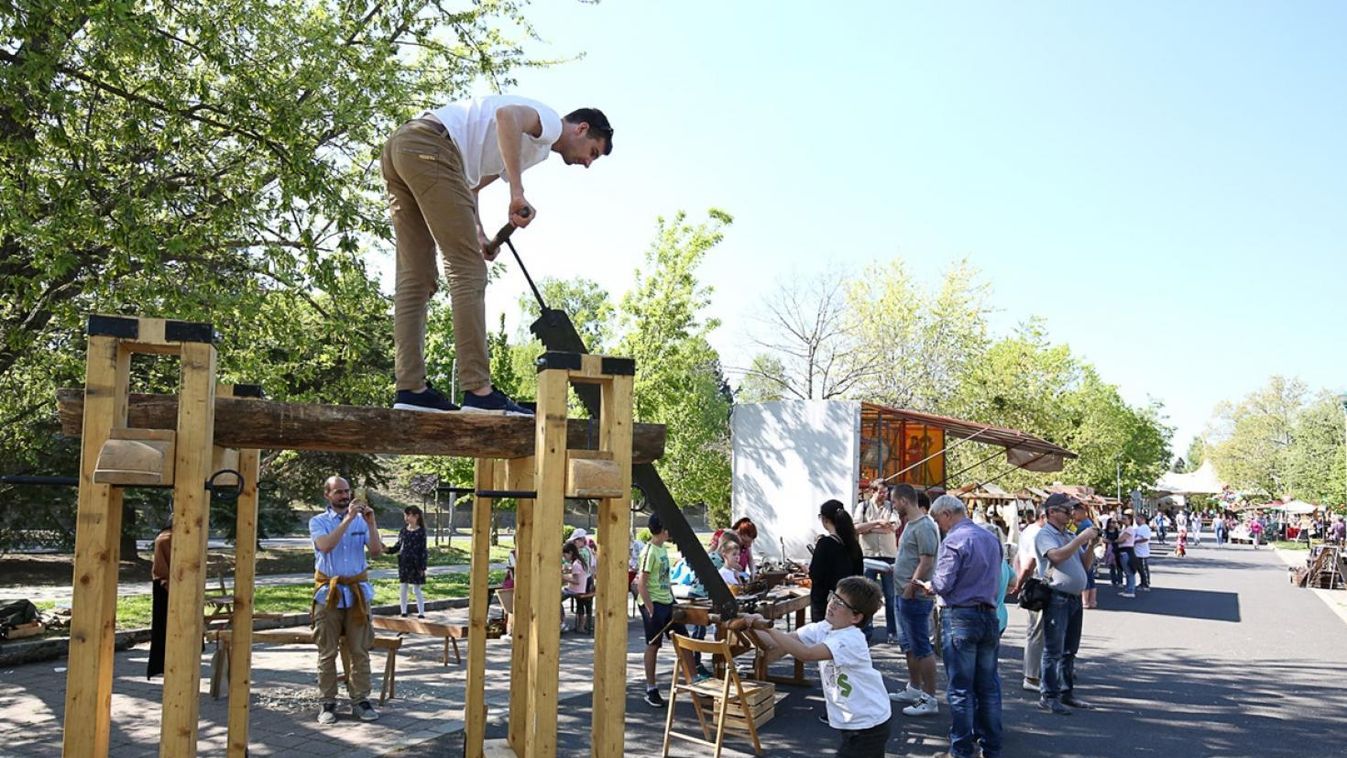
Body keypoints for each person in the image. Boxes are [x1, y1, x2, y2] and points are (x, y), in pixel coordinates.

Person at [381, 95, 613, 414]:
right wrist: (517, 192)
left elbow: (470, 185)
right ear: (581, 129)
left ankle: (411, 390)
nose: (587, 163)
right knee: (469, 272)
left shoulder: (533, 150)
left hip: (403, 147)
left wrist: (479, 233)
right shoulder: (549, 122)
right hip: (432, 148)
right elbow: (507, 116)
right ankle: (478, 392)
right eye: (593, 152)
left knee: (416, 276)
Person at [749, 576, 892, 757]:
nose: (832, 604)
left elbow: (806, 654)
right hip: (853, 721)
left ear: (856, 617)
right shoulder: (825, 628)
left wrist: (768, 628)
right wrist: (750, 626)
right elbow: (779, 642)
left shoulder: (850, 639)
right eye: (834, 597)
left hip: (869, 724)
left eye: (841, 603)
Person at [924, 494, 1004, 758]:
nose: (939, 525)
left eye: (938, 519)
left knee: (961, 688)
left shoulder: (954, 540)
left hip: (960, 616)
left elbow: (943, 584)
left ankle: (961, 749)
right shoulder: (991, 538)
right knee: (988, 687)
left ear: (947, 514)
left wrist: (930, 586)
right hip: (989, 615)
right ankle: (991, 746)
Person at [310, 476, 384, 724]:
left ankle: (361, 700)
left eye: (347, 491)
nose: (344, 496)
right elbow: (326, 546)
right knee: (327, 651)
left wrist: (371, 524)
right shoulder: (317, 521)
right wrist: (349, 519)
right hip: (327, 595)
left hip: (356, 595)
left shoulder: (363, 521)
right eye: (339, 492)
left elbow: (375, 551)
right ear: (327, 495)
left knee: (360, 650)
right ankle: (327, 702)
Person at [1034, 493, 1098, 716]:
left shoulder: (1069, 534)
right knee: (1054, 650)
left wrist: (1090, 545)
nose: (1071, 513)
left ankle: (1066, 692)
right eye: (1066, 510)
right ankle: (1049, 696)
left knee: (1070, 649)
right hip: (1056, 597)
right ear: (1051, 512)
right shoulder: (1045, 535)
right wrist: (1081, 540)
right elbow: (1056, 557)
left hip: (1072, 598)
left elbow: (1085, 565)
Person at [888, 483, 941, 717]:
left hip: (915, 595)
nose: (893, 504)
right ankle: (914, 688)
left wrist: (911, 585)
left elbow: (927, 560)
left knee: (921, 646)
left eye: (895, 501)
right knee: (909, 645)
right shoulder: (911, 524)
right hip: (902, 592)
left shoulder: (925, 525)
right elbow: (912, 557)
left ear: (905, 501)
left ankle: (929, 697)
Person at [637, 514, 690, 707]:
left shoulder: (662, 550)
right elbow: (641, 582)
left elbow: (665, 580)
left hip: (667, 601)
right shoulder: (650, 551)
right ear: (663, 529)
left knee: (684, 642)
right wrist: (650, 609)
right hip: (654, 603)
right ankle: (651, 688)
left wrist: (673, 600)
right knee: (654, 645)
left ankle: (694, 681)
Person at [852, 480, 899, 644]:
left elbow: (893, 527)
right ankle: (865, 631)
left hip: (888, 554)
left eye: (885, 492)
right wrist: (878, 523)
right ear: (873, 491)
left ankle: (892, 631)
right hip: (868, 555)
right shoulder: (863, 506)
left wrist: (869, 528)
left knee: (891, 596)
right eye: (881, 492)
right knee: (867, 596)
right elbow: (856, 528)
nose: (884, 495)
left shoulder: (891, 507)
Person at [1010, 506, 1047, 693]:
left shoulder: (1029, 531)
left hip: (1032, 582)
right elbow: (1029, 563)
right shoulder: (1038, 534)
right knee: (1037, 631)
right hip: (1037, 584)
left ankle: (1036, 672)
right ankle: (1032, 676)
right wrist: (1020, 582)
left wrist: (1019, 580)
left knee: (1036, 630)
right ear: (1043, 516)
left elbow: (1018, 558)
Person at [809, 500, 864, 623]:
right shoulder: (853, 544)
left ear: (825, 519)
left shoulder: (824, 543)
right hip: (848, 601)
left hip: (825, 602)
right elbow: (859, 574)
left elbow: (815, 574)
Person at [387, 505, 429, 618]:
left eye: (408, 515)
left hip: (416, 564)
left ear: (416, 516)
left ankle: (421, 613)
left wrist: (422, 567)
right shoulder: (404, 530)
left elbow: (423, 550)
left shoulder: (421, 532)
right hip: (404, 563)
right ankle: (403, 611)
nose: (406, 517)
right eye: (405, 515)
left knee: (416, 589)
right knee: (403, 588)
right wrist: (387, 550)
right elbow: (398, 546)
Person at [147, 519, 173, 679]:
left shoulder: (167, 537)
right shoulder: (167, 539)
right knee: (165, 629)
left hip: (173, 584)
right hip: (167, 587)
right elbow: (163, 570)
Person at [1069, 502, 1098, 609]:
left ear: (1082, 512)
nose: (1073, 515)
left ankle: (1085, 602)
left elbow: (1074, 537)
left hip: (1084, 553)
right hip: (1089, 552)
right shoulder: (1089, 523)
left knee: (1085, 577)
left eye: (1075, 513)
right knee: (1090, 578)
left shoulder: (1084, 525)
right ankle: (1092, 601)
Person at [561, 542, 591, 633]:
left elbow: (576, 581)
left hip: (575, 590)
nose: (564, 557)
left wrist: (562, 576)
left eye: (564, 555)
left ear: (570, 553)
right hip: (580, 588)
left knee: (556, 599)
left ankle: (561, 622)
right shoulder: (579, 561)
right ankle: (564, 622)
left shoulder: (576, 564)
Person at [1132, 513, 1153, 591]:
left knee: (1143, 568)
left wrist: (1135, 541)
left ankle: (1146, 584)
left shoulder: (1145, 528)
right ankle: (1142, 583)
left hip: (1142, 552)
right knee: (1140, 569)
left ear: (1142, 519)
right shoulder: (1138, 528)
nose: (1136, 520)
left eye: (1137, 519)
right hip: (1137, 552)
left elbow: (1145, 538)